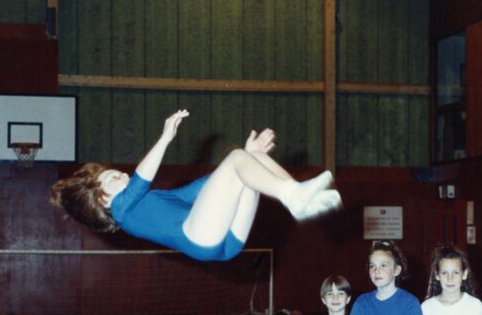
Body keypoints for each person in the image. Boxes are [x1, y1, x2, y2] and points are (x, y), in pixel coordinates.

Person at [49, 109, 342, 262]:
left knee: (246, 159)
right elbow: (141, 180)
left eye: (115, 172)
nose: (119, 175)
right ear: (102, 201)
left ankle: (297, 194)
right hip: (199, 237)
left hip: (225, 244)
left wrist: (247, 163)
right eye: (111, 179)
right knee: (237, 158)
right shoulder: (123, 212)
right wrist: (165, 138)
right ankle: (294, 196)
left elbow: (192, 193)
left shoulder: (149, 200)